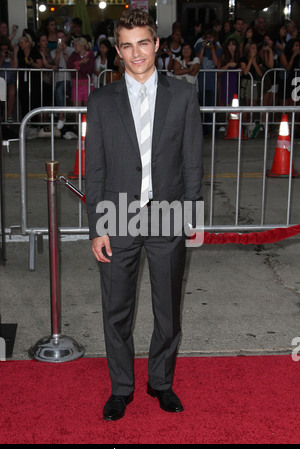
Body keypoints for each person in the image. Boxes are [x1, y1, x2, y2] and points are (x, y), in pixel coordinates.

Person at [85, 8, 203, 421]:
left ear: (157, 44)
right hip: (117, 215)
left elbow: (192, 159)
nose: (137, 53)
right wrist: (97, 227)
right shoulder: (100, 101)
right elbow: (94, 169)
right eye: (127, 45)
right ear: (118, 51)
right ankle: (121, 388)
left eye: (144, 43)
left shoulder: (184, 94)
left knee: (168, 308)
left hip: (168, 212)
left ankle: (161, 382)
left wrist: (192, 212)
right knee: (116, 309)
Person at [51, 30, 74, 129]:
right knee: (58, 90)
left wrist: (64, 52)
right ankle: (61, 114)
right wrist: (58, 52)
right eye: (58, 37)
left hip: (68, 78)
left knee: (60, 89)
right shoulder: (53, 51)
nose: (60, 40)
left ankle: (61, 115)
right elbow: (55, 64)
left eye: (62, 37)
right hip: (57, 79)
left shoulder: (71, 50)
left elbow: (70, 65)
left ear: (65, 38)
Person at [67, 37, 95, 106]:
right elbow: (69, 65)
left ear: (82, 46)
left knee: (87, 110)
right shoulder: (74, 54)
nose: (74, 47)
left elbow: (89, 69)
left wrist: (76, 66)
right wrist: (80, 63)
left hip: (87, 85)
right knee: (76, 111)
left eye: (76, 45)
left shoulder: (90, 55)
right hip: (76, 85)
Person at [0, 37, 18, 123]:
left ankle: (9, 115)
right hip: (1, 80)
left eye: (6, 49)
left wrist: (12, 55)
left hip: (11, 79)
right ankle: (5, 115)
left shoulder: (11, 55)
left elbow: (14, 69)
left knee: (12, 93)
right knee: (3, 98)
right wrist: (1, 58)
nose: (5, 51)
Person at [219, 38, 240, 106]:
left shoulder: (238, 56)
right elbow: (219, 71)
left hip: (236, 81)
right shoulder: (224, 56)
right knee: (228, 102)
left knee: (235, 102)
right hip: (227, 81)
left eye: (233, 45)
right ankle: (227, 116)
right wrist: (228, 65)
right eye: (229, 45)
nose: (231, 47)